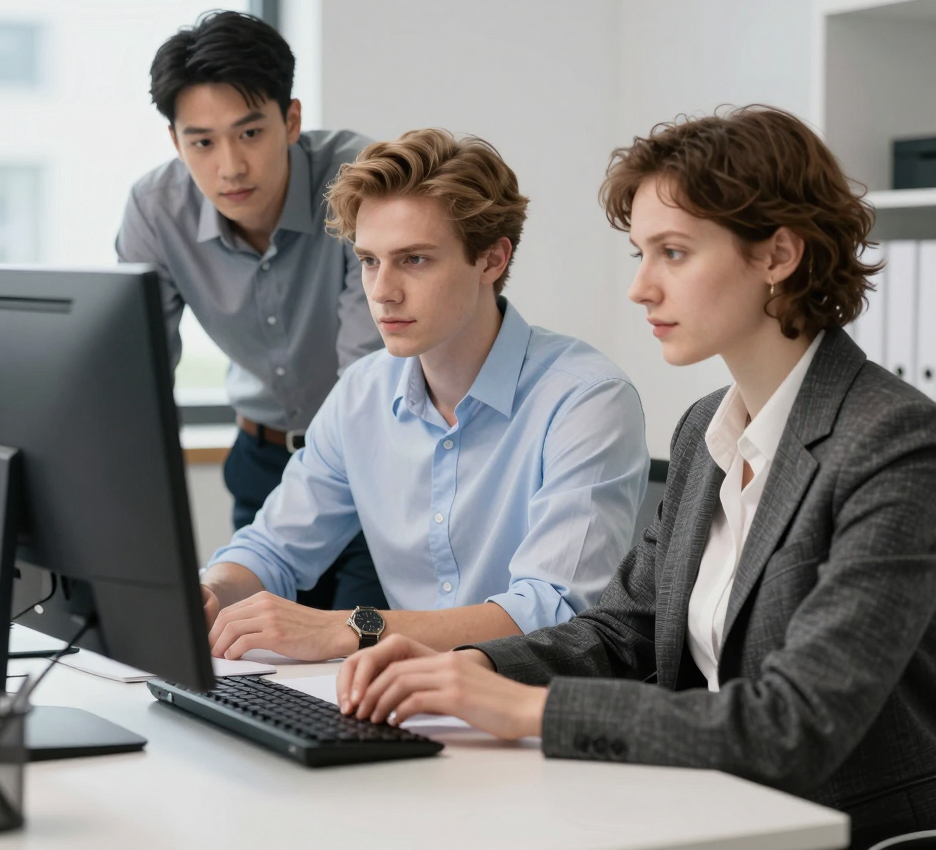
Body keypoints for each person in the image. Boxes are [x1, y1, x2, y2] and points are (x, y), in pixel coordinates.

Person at [338, 106, 936, 850]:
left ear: (778, 255)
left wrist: (526, 712)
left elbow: (798, 722)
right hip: (699, 809)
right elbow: (624, 632)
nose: (641, 289)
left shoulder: (893, 442)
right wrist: (462, 666)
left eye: (674, 253)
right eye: (639, 255)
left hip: (839, 829)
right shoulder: (705, 429)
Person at [200, 127, 649, 662]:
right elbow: (274, 548)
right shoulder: (361, 395)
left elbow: (553, 609)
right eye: (369, 260)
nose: (382, 291)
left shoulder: (586, 400)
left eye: (414, 260)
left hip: (531, 710)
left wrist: (350, 628)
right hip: (406, 699)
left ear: (491, 260)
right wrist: (211, 593)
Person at [116, 10, 386, 611]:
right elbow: (135, 376)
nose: (230, 166)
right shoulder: (157, 210)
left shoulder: (360, 179)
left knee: (359, 669)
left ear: (290, 120)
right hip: (261, 463)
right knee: (251, 664)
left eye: (250, 133)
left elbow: (369, 375)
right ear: (175, 142)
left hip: (378, 461)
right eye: (202, 142)